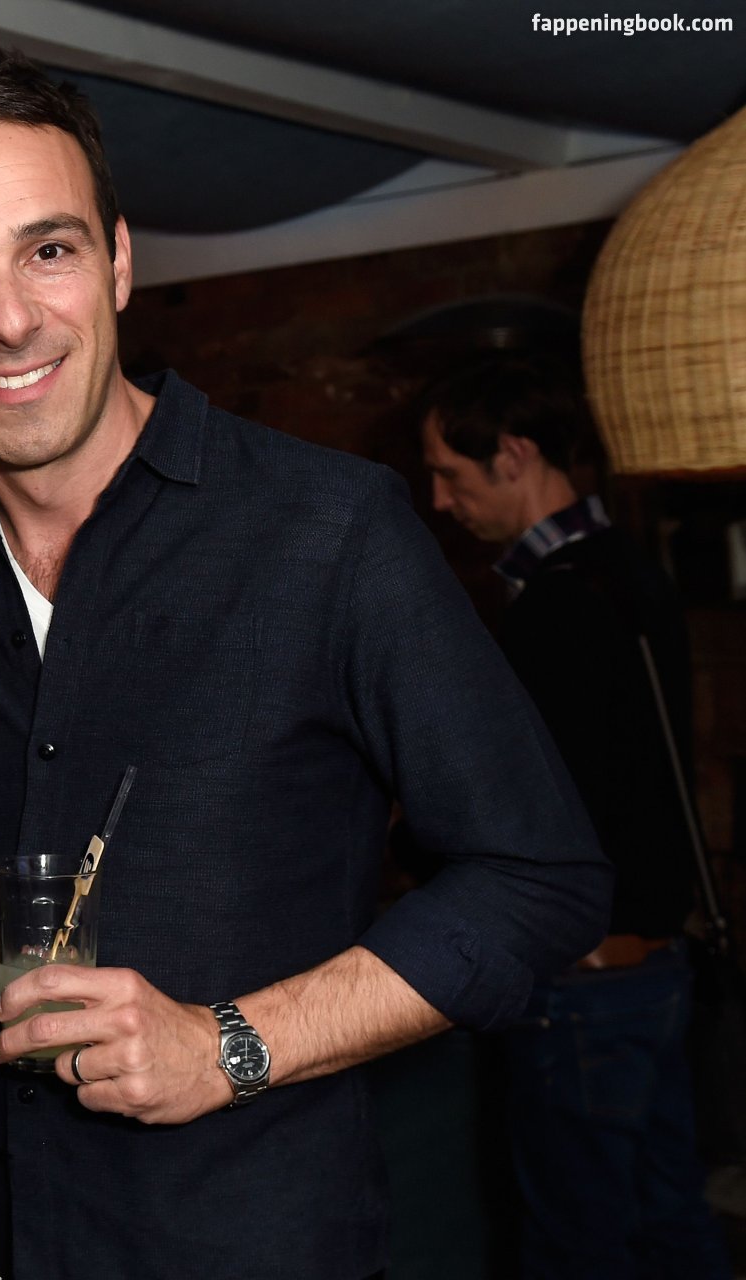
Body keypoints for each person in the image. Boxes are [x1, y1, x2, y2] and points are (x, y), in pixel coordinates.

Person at [0, 36, 612, 1278]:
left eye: (47, 250)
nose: (6, 318)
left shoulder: (329, 530)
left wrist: (228, 1044)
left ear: (117, 262)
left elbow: (539, 875)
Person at [421, 356, 731, 1278]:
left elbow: (521, 812)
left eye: (449, 473)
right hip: (657, 961)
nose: (439, 501)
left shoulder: (552, 608)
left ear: (514, 455)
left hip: (581, 979)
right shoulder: (629, 570)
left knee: (574, 1249)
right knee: (673, 1223)